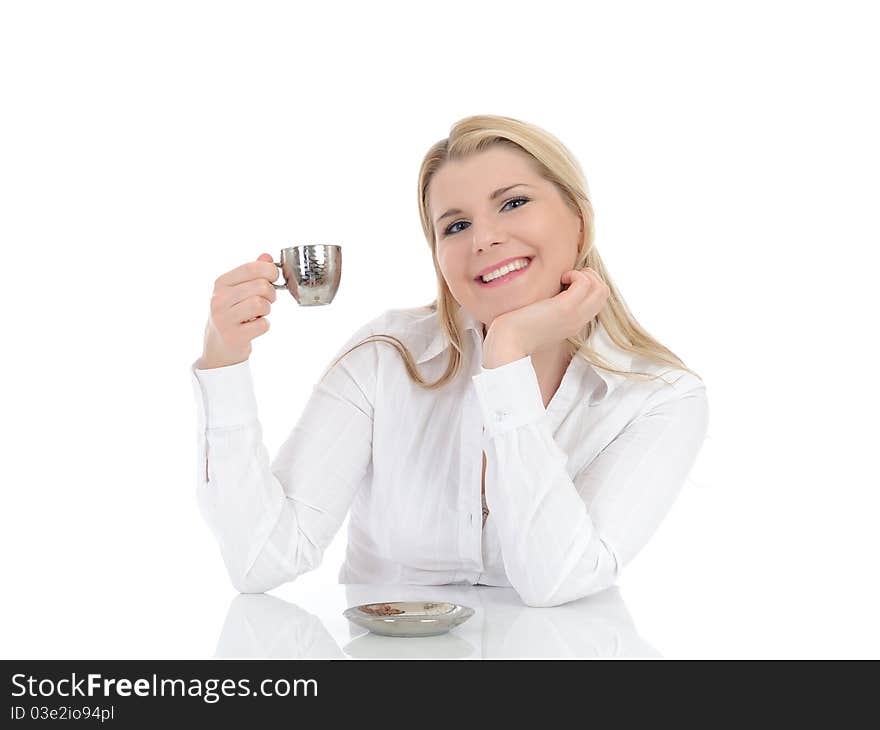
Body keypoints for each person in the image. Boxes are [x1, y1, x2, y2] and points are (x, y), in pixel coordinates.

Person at [190, 114, 709, 608]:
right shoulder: (385, 357)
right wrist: (223, 359)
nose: (483, 239)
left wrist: (506, 356)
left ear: (580, 220)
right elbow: (261, 559)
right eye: (456, 226)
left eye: (513, 203)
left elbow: (556, 579)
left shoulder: (659, 397)